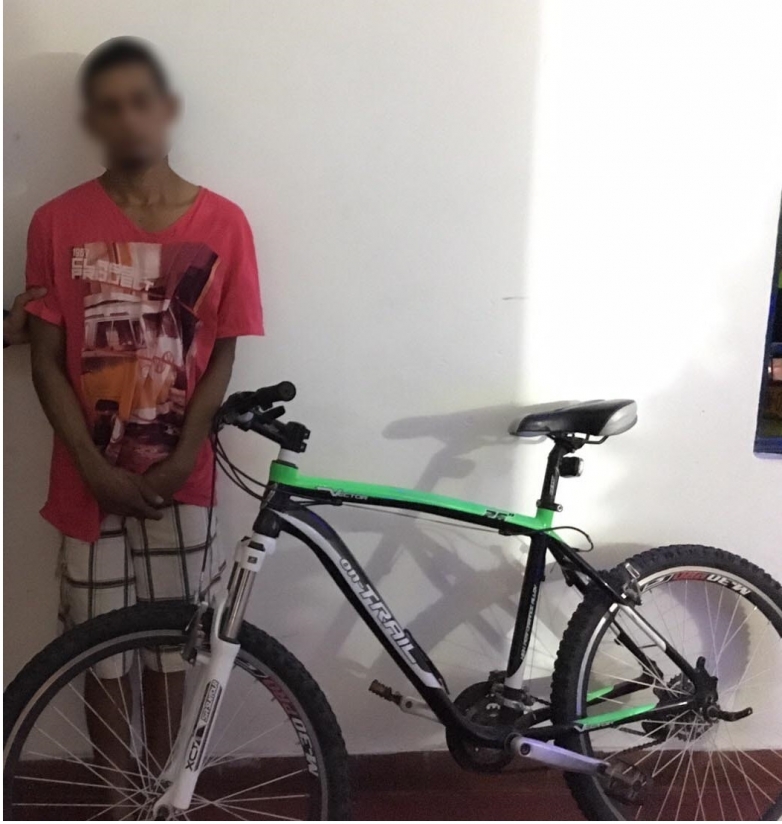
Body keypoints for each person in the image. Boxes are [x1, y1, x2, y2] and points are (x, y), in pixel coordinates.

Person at [24, 37, 264, 777]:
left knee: (171, 650)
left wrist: (185, 454)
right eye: (109, 106)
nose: (127, 118)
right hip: (86, 484)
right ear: (92, 120)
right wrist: (93, 467)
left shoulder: (225, 224)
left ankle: (160, 797)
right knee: (96, 654)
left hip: (180, 484)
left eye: (140, 101)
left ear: (167, 109)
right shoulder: (56, 222)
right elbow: (43, 359)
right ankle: (114, 800)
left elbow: (222, 354)